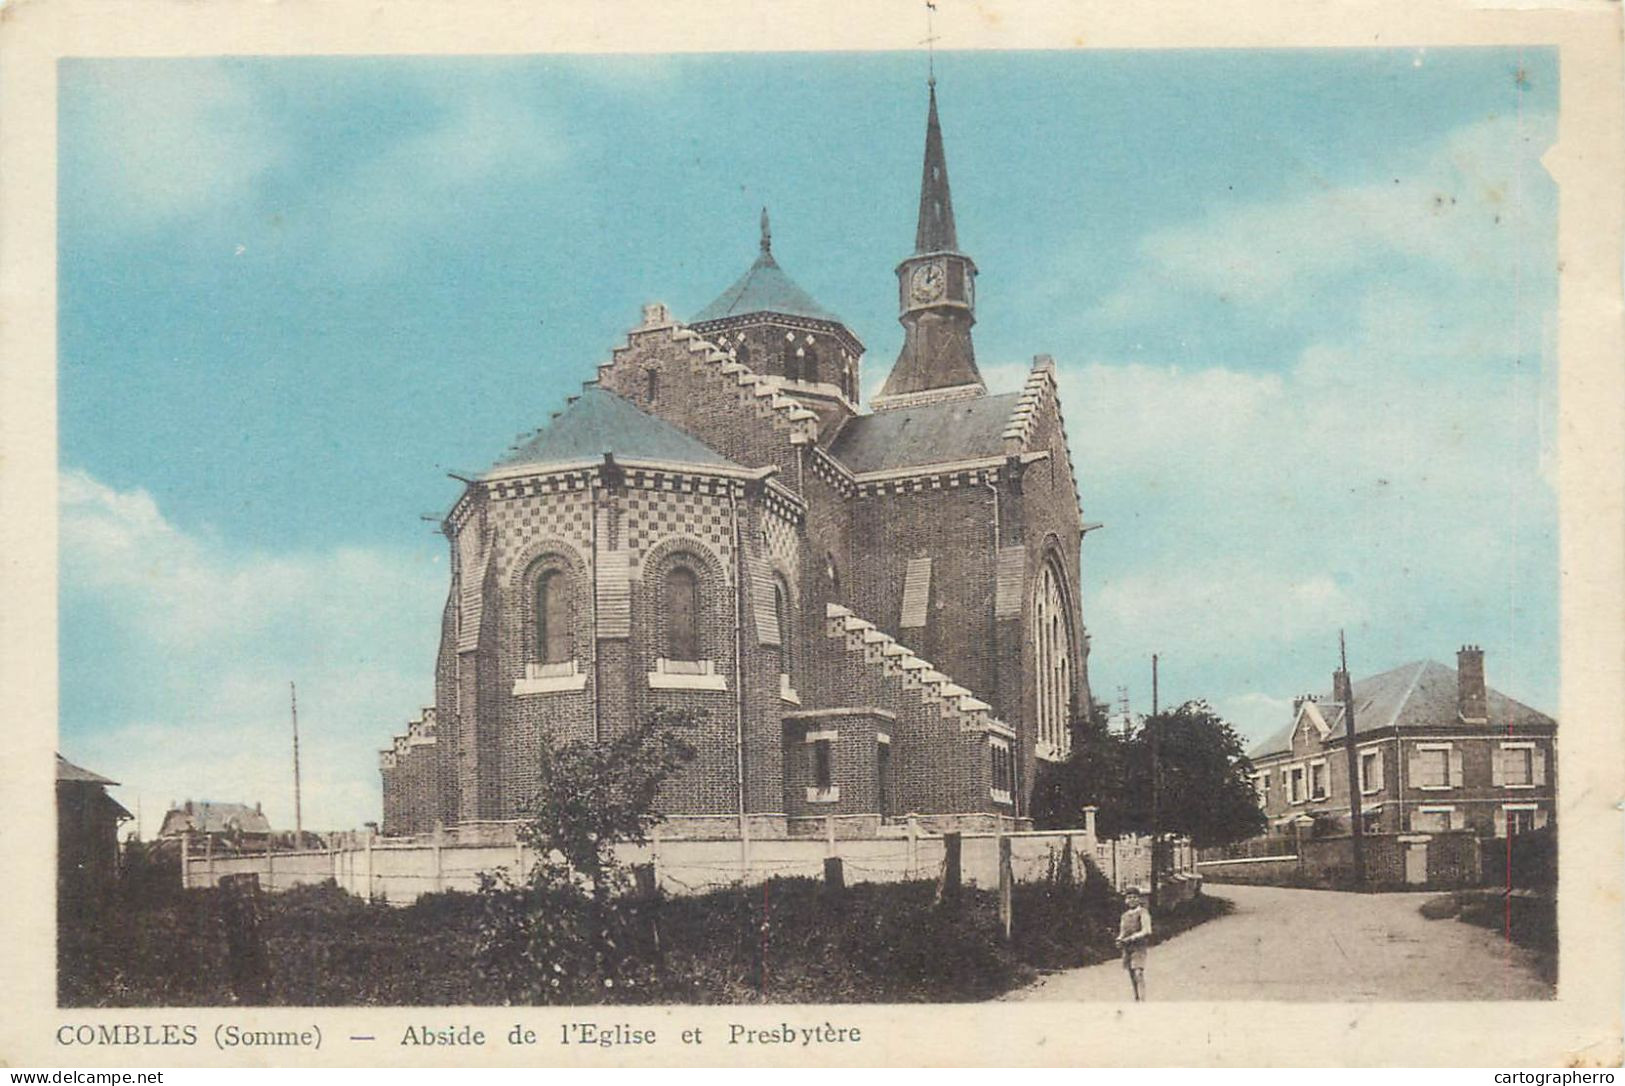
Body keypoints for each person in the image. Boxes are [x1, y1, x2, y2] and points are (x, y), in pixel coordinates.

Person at [1115, 886, 1152, 1001]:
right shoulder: (1125, 916)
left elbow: (1147, 930)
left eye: (1134, 897)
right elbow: (1122, 932)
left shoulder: (1143, 912)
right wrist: (1119, 939)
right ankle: (1136, 997)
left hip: (1139, 947)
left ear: (1139, 899)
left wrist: (1132, 937)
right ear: (1126, 900)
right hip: (1127, 948)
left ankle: (1142, 999)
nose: (1132, 900)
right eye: (1129, 897)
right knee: (1131, 974)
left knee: (1138, 972)